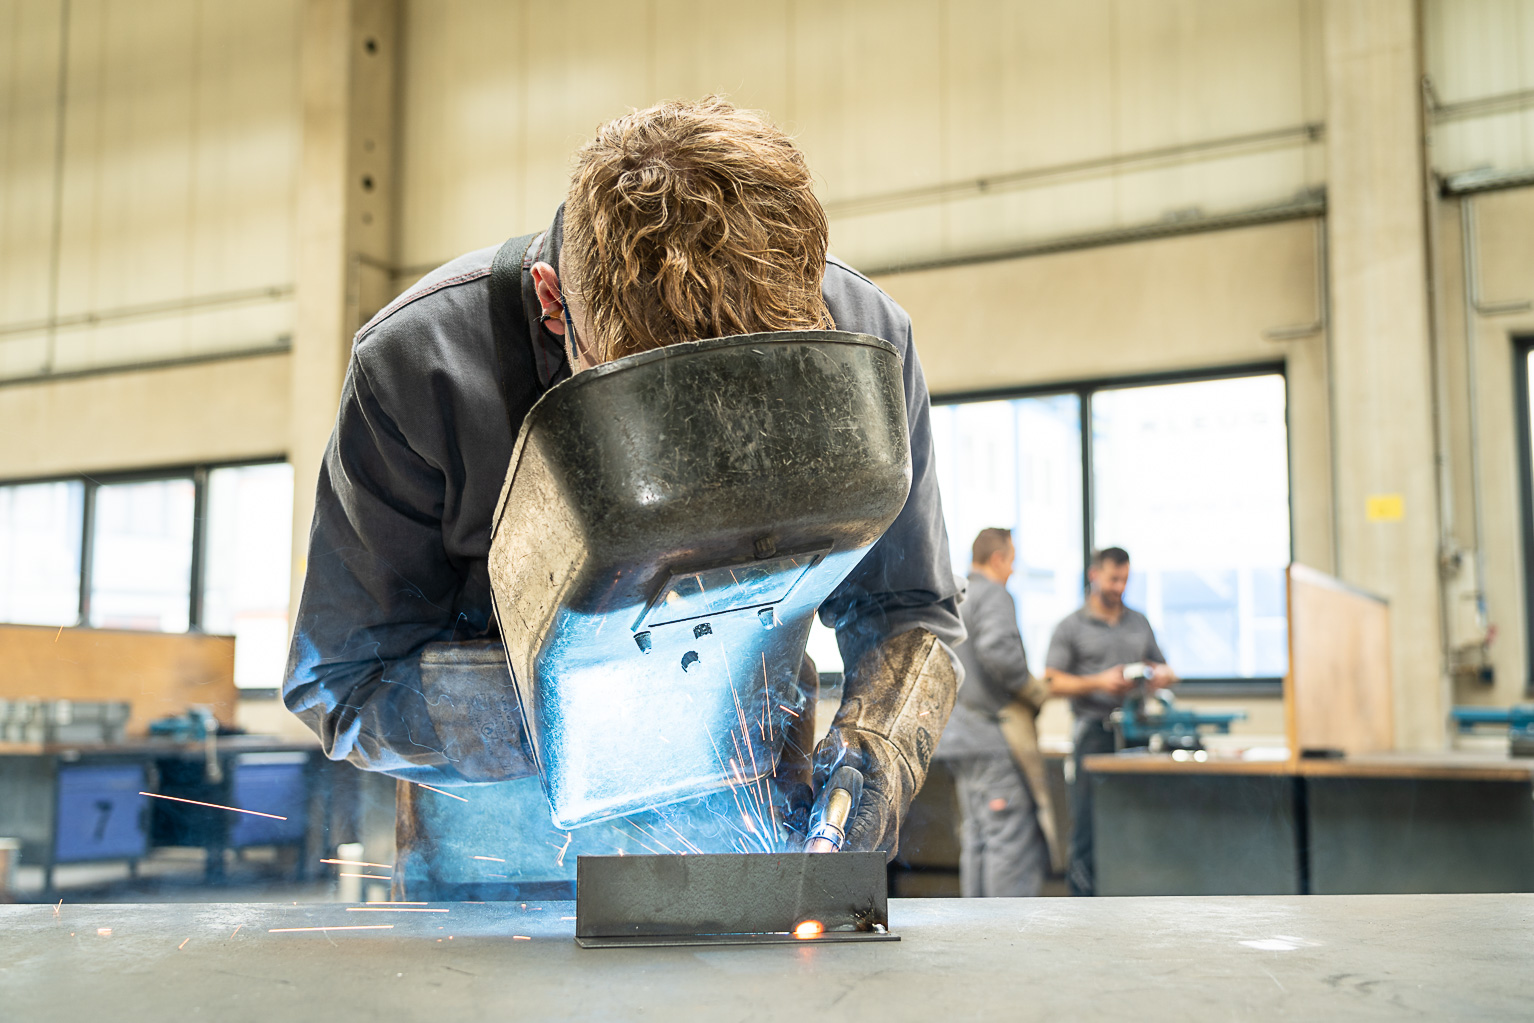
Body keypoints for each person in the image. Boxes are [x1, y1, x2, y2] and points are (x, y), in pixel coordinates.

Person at [282, 98, 963, 896]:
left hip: (758, 834)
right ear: (551, 302)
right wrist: (589, 717)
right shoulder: (419, 367)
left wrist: (876, 747)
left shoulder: (865, 341)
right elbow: (342, 681)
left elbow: (910, 608)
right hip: (496, 865)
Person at [1044, 546, 1176, 896]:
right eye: (1113, 578)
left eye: (1125, 579)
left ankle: (1135, 893)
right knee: (1087, 827)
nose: (1119, 586)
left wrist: (1159, 674)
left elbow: (1166, 667)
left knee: (1135, 822)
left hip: (1137, 736)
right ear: (1095, 575)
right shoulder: (1070, 627)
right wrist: (1099, 681)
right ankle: (1084, 905)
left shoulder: (1139, 622)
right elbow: (1052, 681)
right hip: (1093, 733)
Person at [933, 527, 1059, 897]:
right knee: (1008, 838)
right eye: (1012, 562)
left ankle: (979, 937)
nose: (1013, 572)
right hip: (991, 737)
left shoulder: (953, 598)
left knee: (977, 836)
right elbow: (999, 652)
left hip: (958, 738)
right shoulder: (993, 595)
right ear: (999, 558)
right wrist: (1033, 691)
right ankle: (1009, 942)